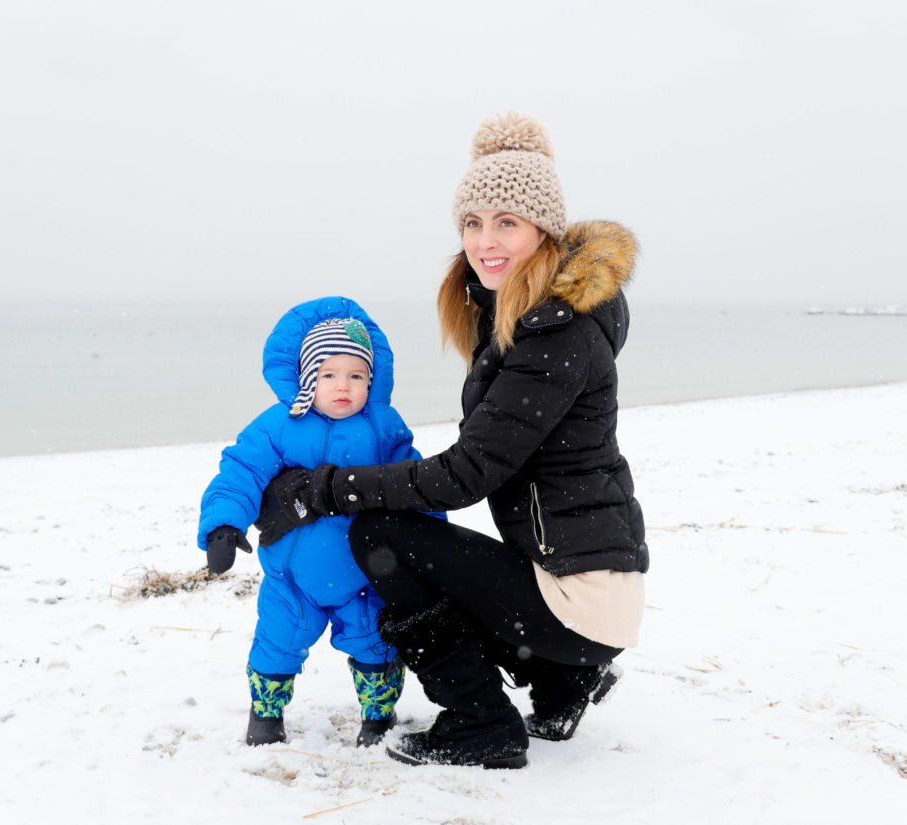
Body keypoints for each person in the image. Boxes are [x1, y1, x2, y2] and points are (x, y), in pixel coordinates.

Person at [255, 112, 649, 769]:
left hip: (579, 601)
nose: (484, 241)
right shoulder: (532, 317)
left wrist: (327, 489)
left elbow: (467, 474)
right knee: (424, 544)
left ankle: (479, 720)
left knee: (380, 534)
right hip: (591, 594)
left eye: (506, 223)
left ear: (543, 230)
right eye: (472, 222)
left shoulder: (554, 334)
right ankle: (560, 680)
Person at [197, 296, 433, 748]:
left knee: (376, 646)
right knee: (277, 643)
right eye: (329, 375)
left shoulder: (385, 427)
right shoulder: (279, 425)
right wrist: (224, 525)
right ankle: (265, 714)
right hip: (291, 577)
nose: (343, 386)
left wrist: (429, 543)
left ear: (372, 380)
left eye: (356, 376)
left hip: (368, 574)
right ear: (308, 377)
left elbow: (414, 483)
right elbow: (240, 473)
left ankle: (378, 717)